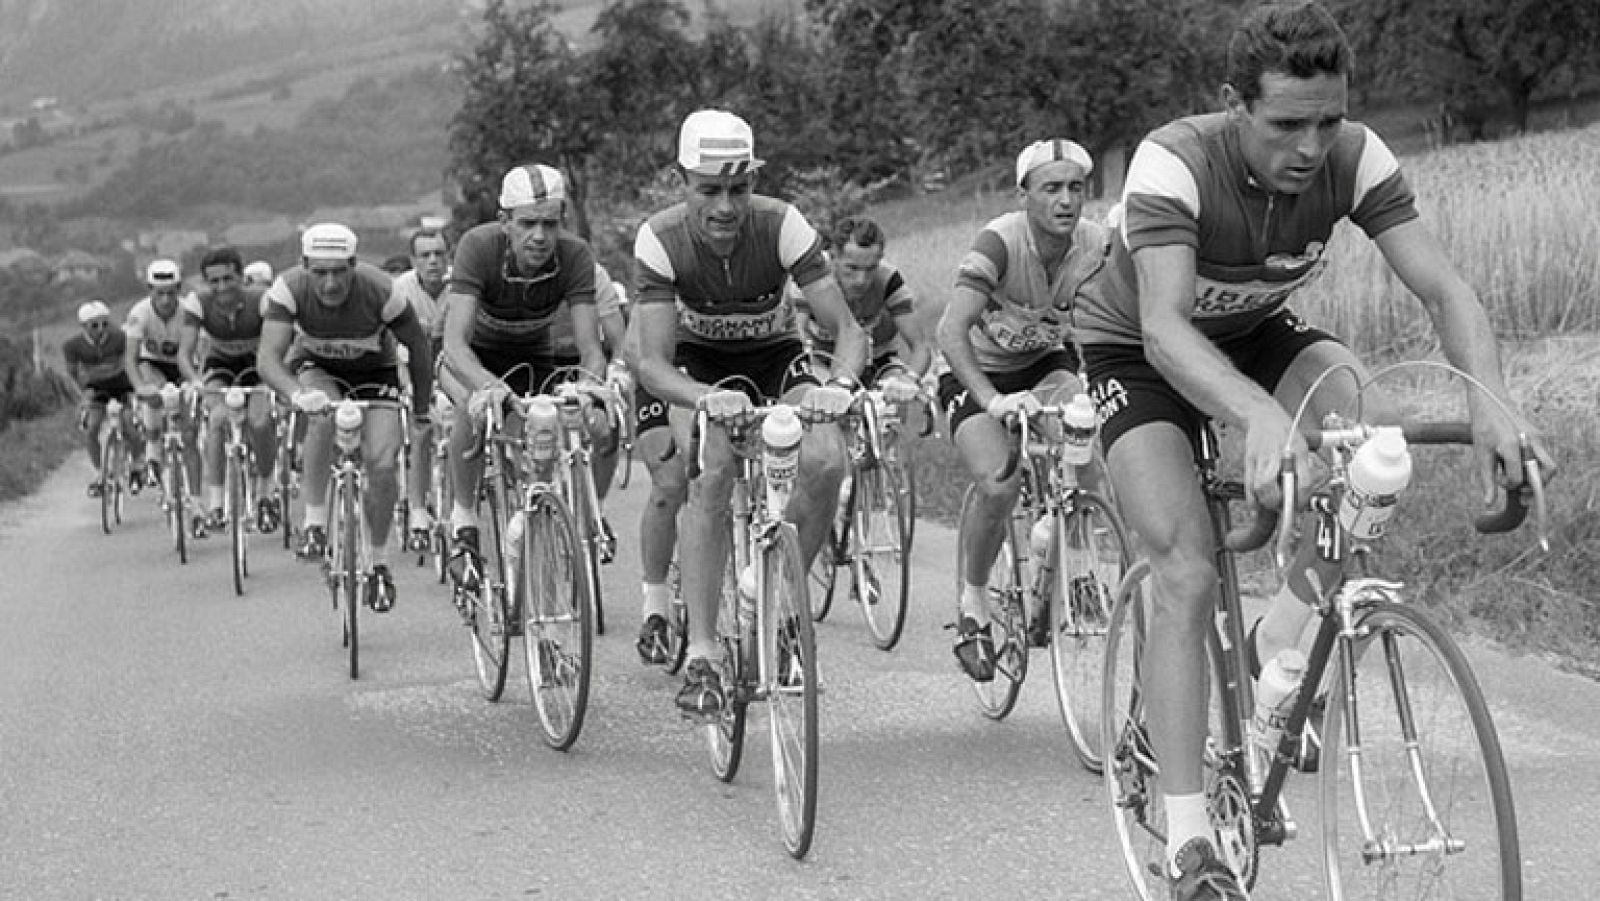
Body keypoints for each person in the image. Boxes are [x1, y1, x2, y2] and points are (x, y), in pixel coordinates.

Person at [1070, 3, 1556, 897]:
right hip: (1138, 351)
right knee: (1185, 570)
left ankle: (1277, 652)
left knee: (1357, 423)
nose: (1310, 146)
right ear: (1233, 103)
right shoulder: (1175, 161)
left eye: (1327, 121)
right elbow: (1167, 328)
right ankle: (1187, 842)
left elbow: (1446, 288)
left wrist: (1490, 404)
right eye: (1287, 123)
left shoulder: (1356, 157)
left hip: (1258, 330)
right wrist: (1256, 419)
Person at [632, 109, 864, 713]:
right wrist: (704, 398)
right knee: (710, 471)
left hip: (774, 357)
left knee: (827, 460)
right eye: (709, 190)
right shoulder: (660, 238)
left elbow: (849, 330)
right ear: (682, 182)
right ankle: (704, 654)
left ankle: (783, 604)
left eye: (740, 189)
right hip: (697, 367)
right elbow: (652, 363)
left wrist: (835, 384)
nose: (726, 207)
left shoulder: (783, 224)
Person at [935, 138, 1112, 677]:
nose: (1065, 200)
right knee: (1000, 482)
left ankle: (1075, 570)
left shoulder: (1095, 245)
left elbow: (1121, 319)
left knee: (1090, 451)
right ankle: (972, 605)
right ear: (1024, 196)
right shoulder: (1000, 242)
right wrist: (990, 401)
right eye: (1050, 188)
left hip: (1043, 363)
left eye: (1075, 188)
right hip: (975, 374)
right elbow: (950, 329)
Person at [435, 163, 609, 585]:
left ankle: (565, 519)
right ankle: (464, 524)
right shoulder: (478, 247)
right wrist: (487, 386)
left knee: (573, 432)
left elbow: (591, 348)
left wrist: (588, 388)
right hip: (472, 357)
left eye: (550, 224)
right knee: (473, 412)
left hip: (533, 356)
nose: (539, 236)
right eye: (527, 223)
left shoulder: (575, 255)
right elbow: (454, 345)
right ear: (504, 222)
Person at [257, 223, 433, 612]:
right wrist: (296, 394)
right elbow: (268, 357)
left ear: (354, 264)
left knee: (382, 464)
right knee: (321, 416)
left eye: (340, 271)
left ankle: (380, 563)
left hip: (376, 373)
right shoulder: (288, 289)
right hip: (317, 369)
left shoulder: (383, 290)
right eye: (320, 272)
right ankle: (316, 524)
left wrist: (420, 409)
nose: (331, 283)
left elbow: (417, 347)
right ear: (305, 266)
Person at [177, 245, 280, 535]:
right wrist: (195, 380)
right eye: (214, 281)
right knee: (217, 420)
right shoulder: (198, 302)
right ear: (206, 282)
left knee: (260, 422)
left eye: (228, 279)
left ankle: (265, 491)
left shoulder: (261, 300)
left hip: (256, 366)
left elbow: (278, 344)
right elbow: (184, 353)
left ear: (241, 277)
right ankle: (216, 502)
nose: (221, 287)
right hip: (219, 366)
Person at [795, 215, 932, 396]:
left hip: (878, 359)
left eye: (870, 269)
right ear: (833, 255)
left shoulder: (888, 279)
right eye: (852, 268)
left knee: (897, 401)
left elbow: (920, 347)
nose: (861, 281)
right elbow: (796, 339)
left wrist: (908, 380)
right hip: (823, 360)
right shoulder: (813, 276)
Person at [124, 258, 205, 536]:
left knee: (190, 435)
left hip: (182, 366)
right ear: (150, 290)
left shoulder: (188, 312)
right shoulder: (139, 313)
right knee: (155, 394)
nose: (166, 299)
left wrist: (198, 382)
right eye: (160, 293)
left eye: (172, 292)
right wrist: (139, 387)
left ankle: (196, 505)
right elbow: (131, 359)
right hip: (152, 364)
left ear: (179, 289)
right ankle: (153, 451)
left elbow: (200, 354)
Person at [390, 228, 452, 550]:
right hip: (410, 368)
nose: (433, 261)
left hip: (448, 367)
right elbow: (392, 345)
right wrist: (407, 386)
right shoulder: (399, 291)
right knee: (421, 429)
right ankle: (416, 508)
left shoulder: (460, 289)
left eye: (439, 254)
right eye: (425, 255)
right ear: (413, 260)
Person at [64, 300, 135, 496]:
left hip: (121, 382)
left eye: (105, 324)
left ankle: (138, 463)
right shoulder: (73, 346)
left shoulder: (120, 337)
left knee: (130, 423)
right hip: (96, 387)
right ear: (84, 327)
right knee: (92, 427)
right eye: (94, 325)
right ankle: (100, 473)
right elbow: (71, 375)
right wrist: (81, 397)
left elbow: (130, 362)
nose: (101, 329)